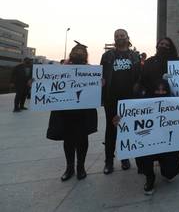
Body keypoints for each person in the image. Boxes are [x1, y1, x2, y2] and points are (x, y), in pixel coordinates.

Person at [114, 79, 179, 195]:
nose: (160, 92)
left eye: (163, 90)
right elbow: (128, 124)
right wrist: (119, 121)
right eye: (157, 90)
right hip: (148, 147)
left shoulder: (176, 105)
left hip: (168, 146)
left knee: (171, 174)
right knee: (143, 155)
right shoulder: (141, 106)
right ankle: (150, 177)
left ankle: (165, 166)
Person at [46, 43, 98, 181]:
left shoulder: (91, 71)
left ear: (85, 55)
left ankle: (80, 167)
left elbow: (97, 90)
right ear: (72, 53)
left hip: (83, 111)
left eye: (82, 51)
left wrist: (101, 84)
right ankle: (69, 168)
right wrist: (35, 82)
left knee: (82, 139)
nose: (79, 53)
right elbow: (48, 84)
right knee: (68, 140)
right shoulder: (62, 69)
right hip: (66, 111)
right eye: (77, 50)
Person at [100, 29, 141, 175]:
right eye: (117, 36)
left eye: (122, 35)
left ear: (127, 37)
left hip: (129, 99)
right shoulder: (107, 56)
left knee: (127, 129)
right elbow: (101, 75)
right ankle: (109, 161)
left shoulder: (135, 56)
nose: (119, 38)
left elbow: (139, 76)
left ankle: (125, 157)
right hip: (112, 98)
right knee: (111, 130)